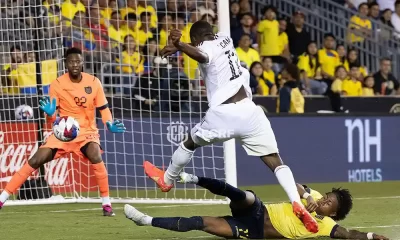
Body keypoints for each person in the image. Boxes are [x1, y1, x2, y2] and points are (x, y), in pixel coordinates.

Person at [144, 20, 319, 233]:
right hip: (250, 112)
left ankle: (167, 179)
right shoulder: (225, 39)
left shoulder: (204, 49)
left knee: (189, 142)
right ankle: (297, 203)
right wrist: (183, 46)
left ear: (197, 39)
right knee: (276, 161)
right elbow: (203, 46)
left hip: (224, 113)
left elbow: (203, 54)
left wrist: (180, 46)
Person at [0, 48, 126, 216]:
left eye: (77, 61)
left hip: (86, 132)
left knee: (96, 155)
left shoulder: (94, 82)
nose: (74, 64)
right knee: (36, 159)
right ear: (66, 63)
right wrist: (50, 113)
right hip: (63, 134)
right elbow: (51, 119)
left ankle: (106, 204)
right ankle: (2, 198)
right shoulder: (57, 84)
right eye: (71, 62)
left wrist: (109, 123)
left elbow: (103, 109)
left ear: (82, 63)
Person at [125, 172, 389, 240]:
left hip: (253, 232)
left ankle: (145, 220)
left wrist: (369, 236)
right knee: (243, 195)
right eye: (326, 196)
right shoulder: (313, 196)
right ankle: (190, 178)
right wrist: (307, 195)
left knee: (200, 223)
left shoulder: (326, 225)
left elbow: (348, 234)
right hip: (259, 210)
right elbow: (294, 185)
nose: (324, 200)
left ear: (334, 213)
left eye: (328, 203)